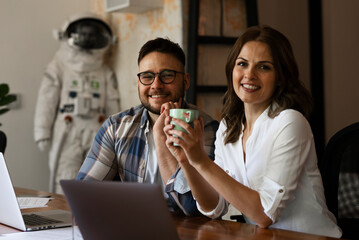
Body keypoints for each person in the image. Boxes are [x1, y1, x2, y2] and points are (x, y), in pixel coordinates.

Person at [163, 26, 342, 237]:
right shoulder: (228, 128)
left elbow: (264, 214)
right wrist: (188, 161)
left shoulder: (290, 122)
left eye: (264, 67)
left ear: (281, 77)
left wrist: (202, 161)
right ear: (232, 69)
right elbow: (215, 207)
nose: (249, 74)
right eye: (242, 64)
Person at [76, 37, 219, 216]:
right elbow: (83, 195)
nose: (156, 85)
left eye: (167, 75)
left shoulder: (208, 130)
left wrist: (160, 139)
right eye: (147, 76)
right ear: (138, 82)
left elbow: (191, 208)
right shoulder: (116, 128)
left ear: (186, 81)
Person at [34, 12, 120, 194]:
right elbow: (47, 98)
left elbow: (113, 102)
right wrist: (42, 130)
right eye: (83, 33)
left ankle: (92, 217)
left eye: (91, 34)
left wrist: (117, 135)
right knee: (66, 176)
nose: (87, 38)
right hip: (68, 126)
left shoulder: (104, 70)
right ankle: (63, 218)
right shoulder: (58, 65)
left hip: (97, 127)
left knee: (98, 175)